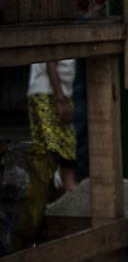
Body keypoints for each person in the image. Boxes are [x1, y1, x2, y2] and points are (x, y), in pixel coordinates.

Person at [27, 60, 77, 193]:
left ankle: (67, 195)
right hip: (47, 92)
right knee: (50, 148)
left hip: (62, 93)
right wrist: (60, 99)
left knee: (67, 148)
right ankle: (47, 197)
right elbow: (50, 61)